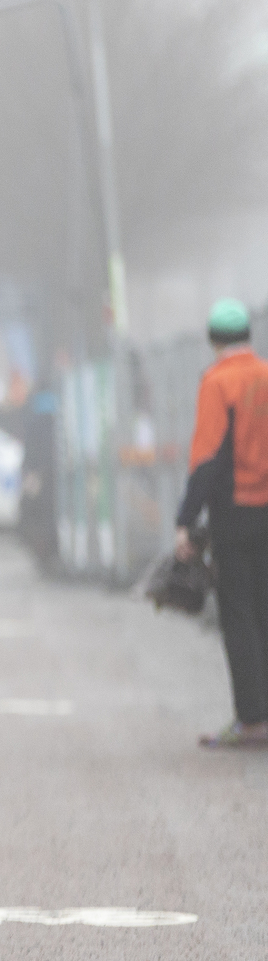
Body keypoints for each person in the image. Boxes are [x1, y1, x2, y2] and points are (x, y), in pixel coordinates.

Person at [178, 300, 268, 749]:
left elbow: (208, 458)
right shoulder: (266, 376)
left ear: (213, 340)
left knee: (238, 614)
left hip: (234, 513)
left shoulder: (217, 382)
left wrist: (185, 520)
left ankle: (252, 719)